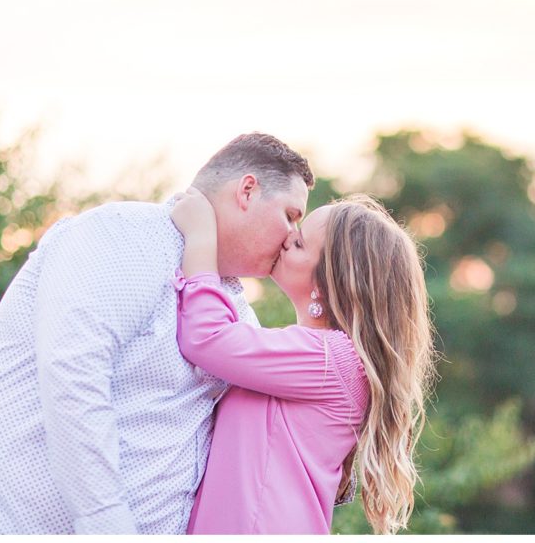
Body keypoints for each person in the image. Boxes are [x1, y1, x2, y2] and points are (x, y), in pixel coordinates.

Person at [0, 132, 314, 535]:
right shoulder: (123, 235)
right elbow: (73, 373)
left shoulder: (236, 311)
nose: (293, 235)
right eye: (291, 215)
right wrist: (108, 524)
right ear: (247, 191)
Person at [169, 189, 436, 534]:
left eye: (298, 244)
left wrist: (201, 239)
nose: (285, 239)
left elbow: (208, 338)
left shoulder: (331, 359)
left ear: (327, 285)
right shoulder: (322, 358)